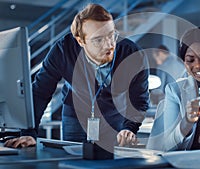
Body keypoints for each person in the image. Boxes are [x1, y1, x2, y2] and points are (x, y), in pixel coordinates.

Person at [4, 3, 149, 148]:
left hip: (114, 118)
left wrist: (129, 128)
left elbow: (139, 100)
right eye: (98, 40)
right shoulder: (62, 51)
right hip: (76, 116)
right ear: (80, 41)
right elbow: (40, 92)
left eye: (111, 36)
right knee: (72, 159)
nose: (109, 45)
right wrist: (29, 132)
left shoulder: (134, 56)